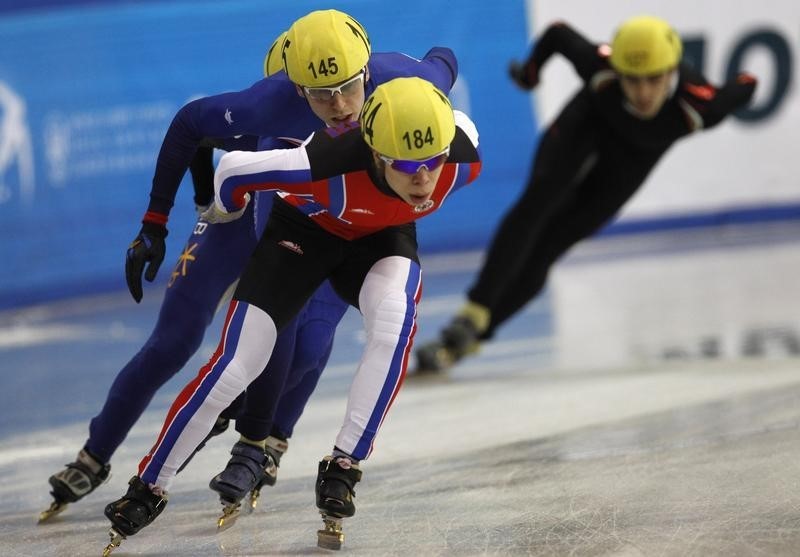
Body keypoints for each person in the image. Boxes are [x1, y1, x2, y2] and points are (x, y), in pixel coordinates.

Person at [43, 9, 458, 523]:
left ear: (367, 74)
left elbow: (444, 63)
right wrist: (159, 219)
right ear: (293, 87)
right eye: (316, 94)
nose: (338, 106)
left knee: (307, 343)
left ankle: (263, 438)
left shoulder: (399, 82)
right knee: (173, 343)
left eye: (348, 88)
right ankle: (98, 453)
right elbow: (197, 132)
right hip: (249, 213)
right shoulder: (267, 106)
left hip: (320, 220)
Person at [101, 76, 482, 554]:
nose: (424, 178)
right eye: (407, 166)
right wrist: (223, 212)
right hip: (304, 235)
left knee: (394, 322)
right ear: (377, 154)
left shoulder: (463, 151)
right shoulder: (322, 162)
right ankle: (149, 486)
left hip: (381, 240)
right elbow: (233, 172)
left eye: (433, 161)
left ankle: (345, 464)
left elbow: (443, 69)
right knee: (236, 364)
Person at [415, 15, 758, 373]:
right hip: (587, 122)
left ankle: (465, 342)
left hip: (633, 158)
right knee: (536, 204)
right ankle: (474, 312)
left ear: (673, 71)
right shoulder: (600, 64)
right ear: (616, 69)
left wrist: (739, 84)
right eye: (632, 78)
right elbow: (558, 34)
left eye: (654, 79)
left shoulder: (702, 104)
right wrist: (531, 74)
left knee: (551, 245)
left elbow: (748, 83)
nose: (642, 92)